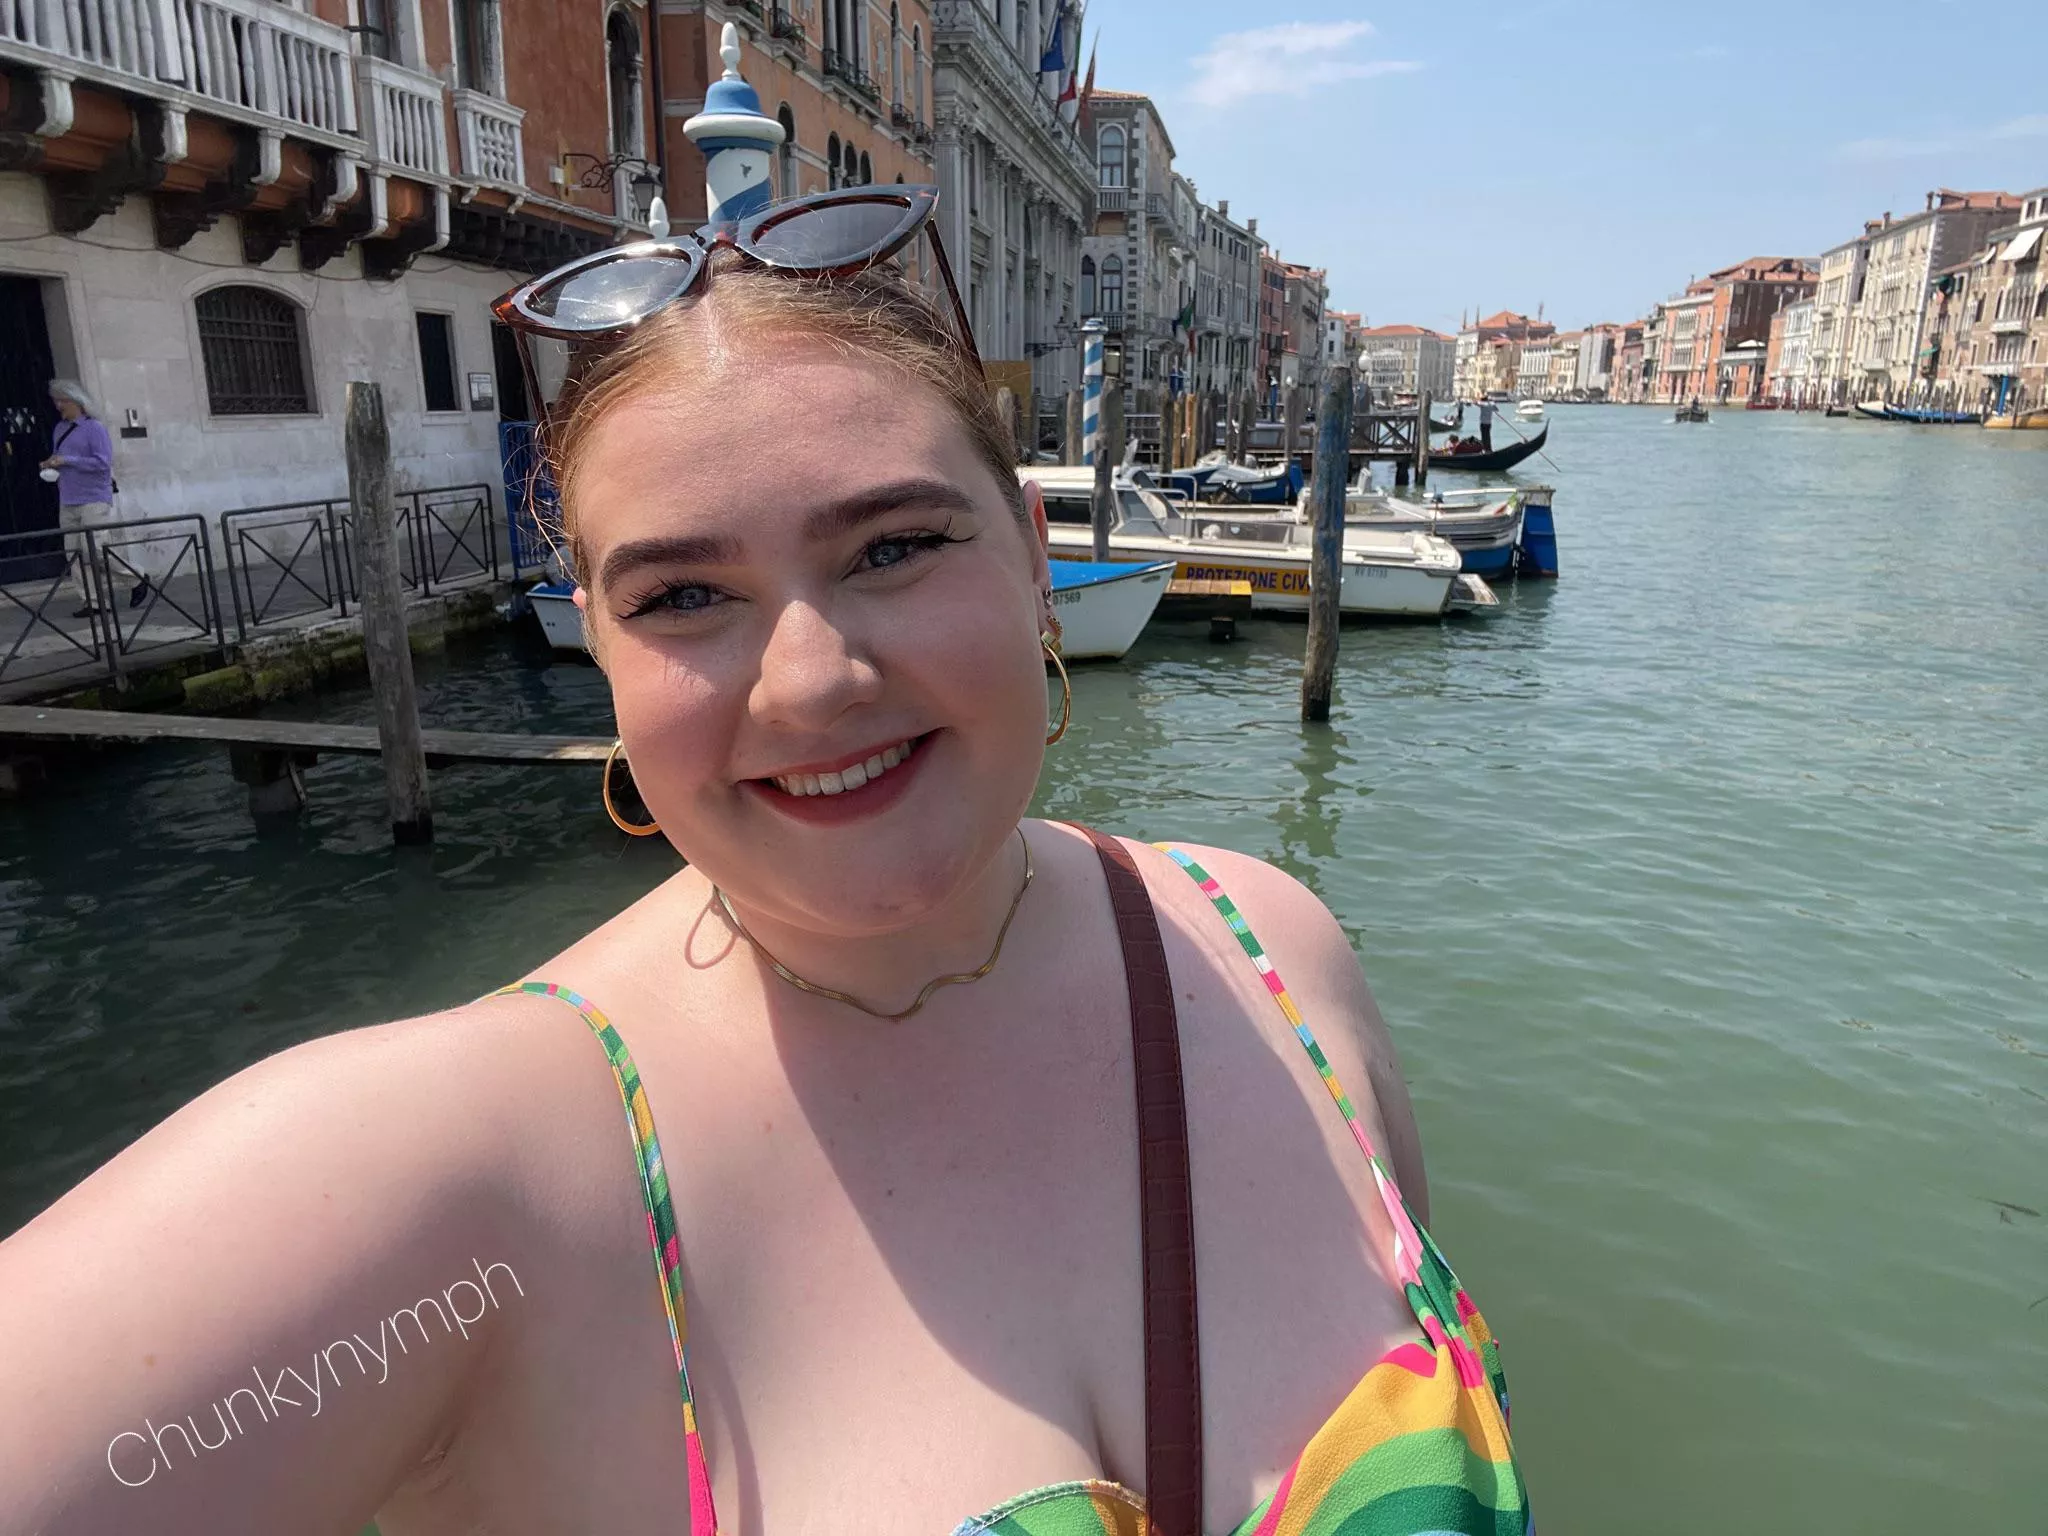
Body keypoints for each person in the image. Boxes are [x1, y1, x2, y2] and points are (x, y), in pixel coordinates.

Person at [0, 188, 1525, 1534]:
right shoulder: (451, 1183)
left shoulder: (1272, 951)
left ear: (1033, 557)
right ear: (594, 640)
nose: (811, 684)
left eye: (893, 548)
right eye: (681, 598)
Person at [40, 380, 143, 618]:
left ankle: (136, 578)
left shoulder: (94, 428)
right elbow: (59, 456)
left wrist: (68, 461)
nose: (58, 406)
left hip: (94, 497)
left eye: (63, 401)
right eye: (56, 401)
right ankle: (94, 602)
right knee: (74, 553)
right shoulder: (59, 429)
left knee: (93, 550)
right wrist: (51, 463)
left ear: (77, 402)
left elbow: (102, 462)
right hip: (68, 497)